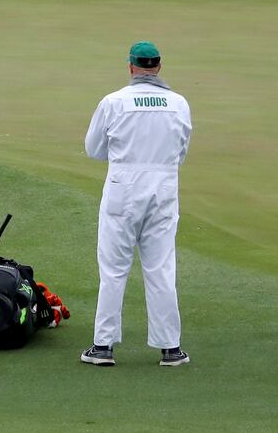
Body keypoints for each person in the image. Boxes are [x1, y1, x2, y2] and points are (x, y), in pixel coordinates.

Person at [81, 41, 192, 370]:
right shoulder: (179, 103)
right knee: (160, 269)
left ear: (131, 67)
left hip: (123, 188)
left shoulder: (113, 102)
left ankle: (103, 346)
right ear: (158, 66)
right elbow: (181, 150)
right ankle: (170, 348)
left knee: (113, 270)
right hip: (163, 188)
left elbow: (93, 149)